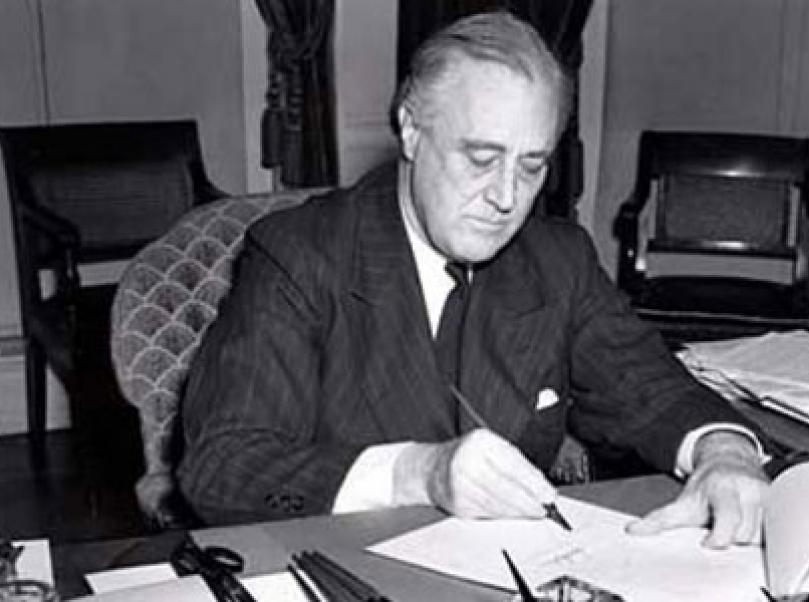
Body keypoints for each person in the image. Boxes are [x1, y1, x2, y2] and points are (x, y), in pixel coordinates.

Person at [178, 10, 768, 548]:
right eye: (481, 159)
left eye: (531, 166)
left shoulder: (558, 259)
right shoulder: (299, 255)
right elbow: (222, 466)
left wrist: (724, 453)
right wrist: (419, 472)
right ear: (411, 130)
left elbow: (650, 387)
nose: (507, 198)